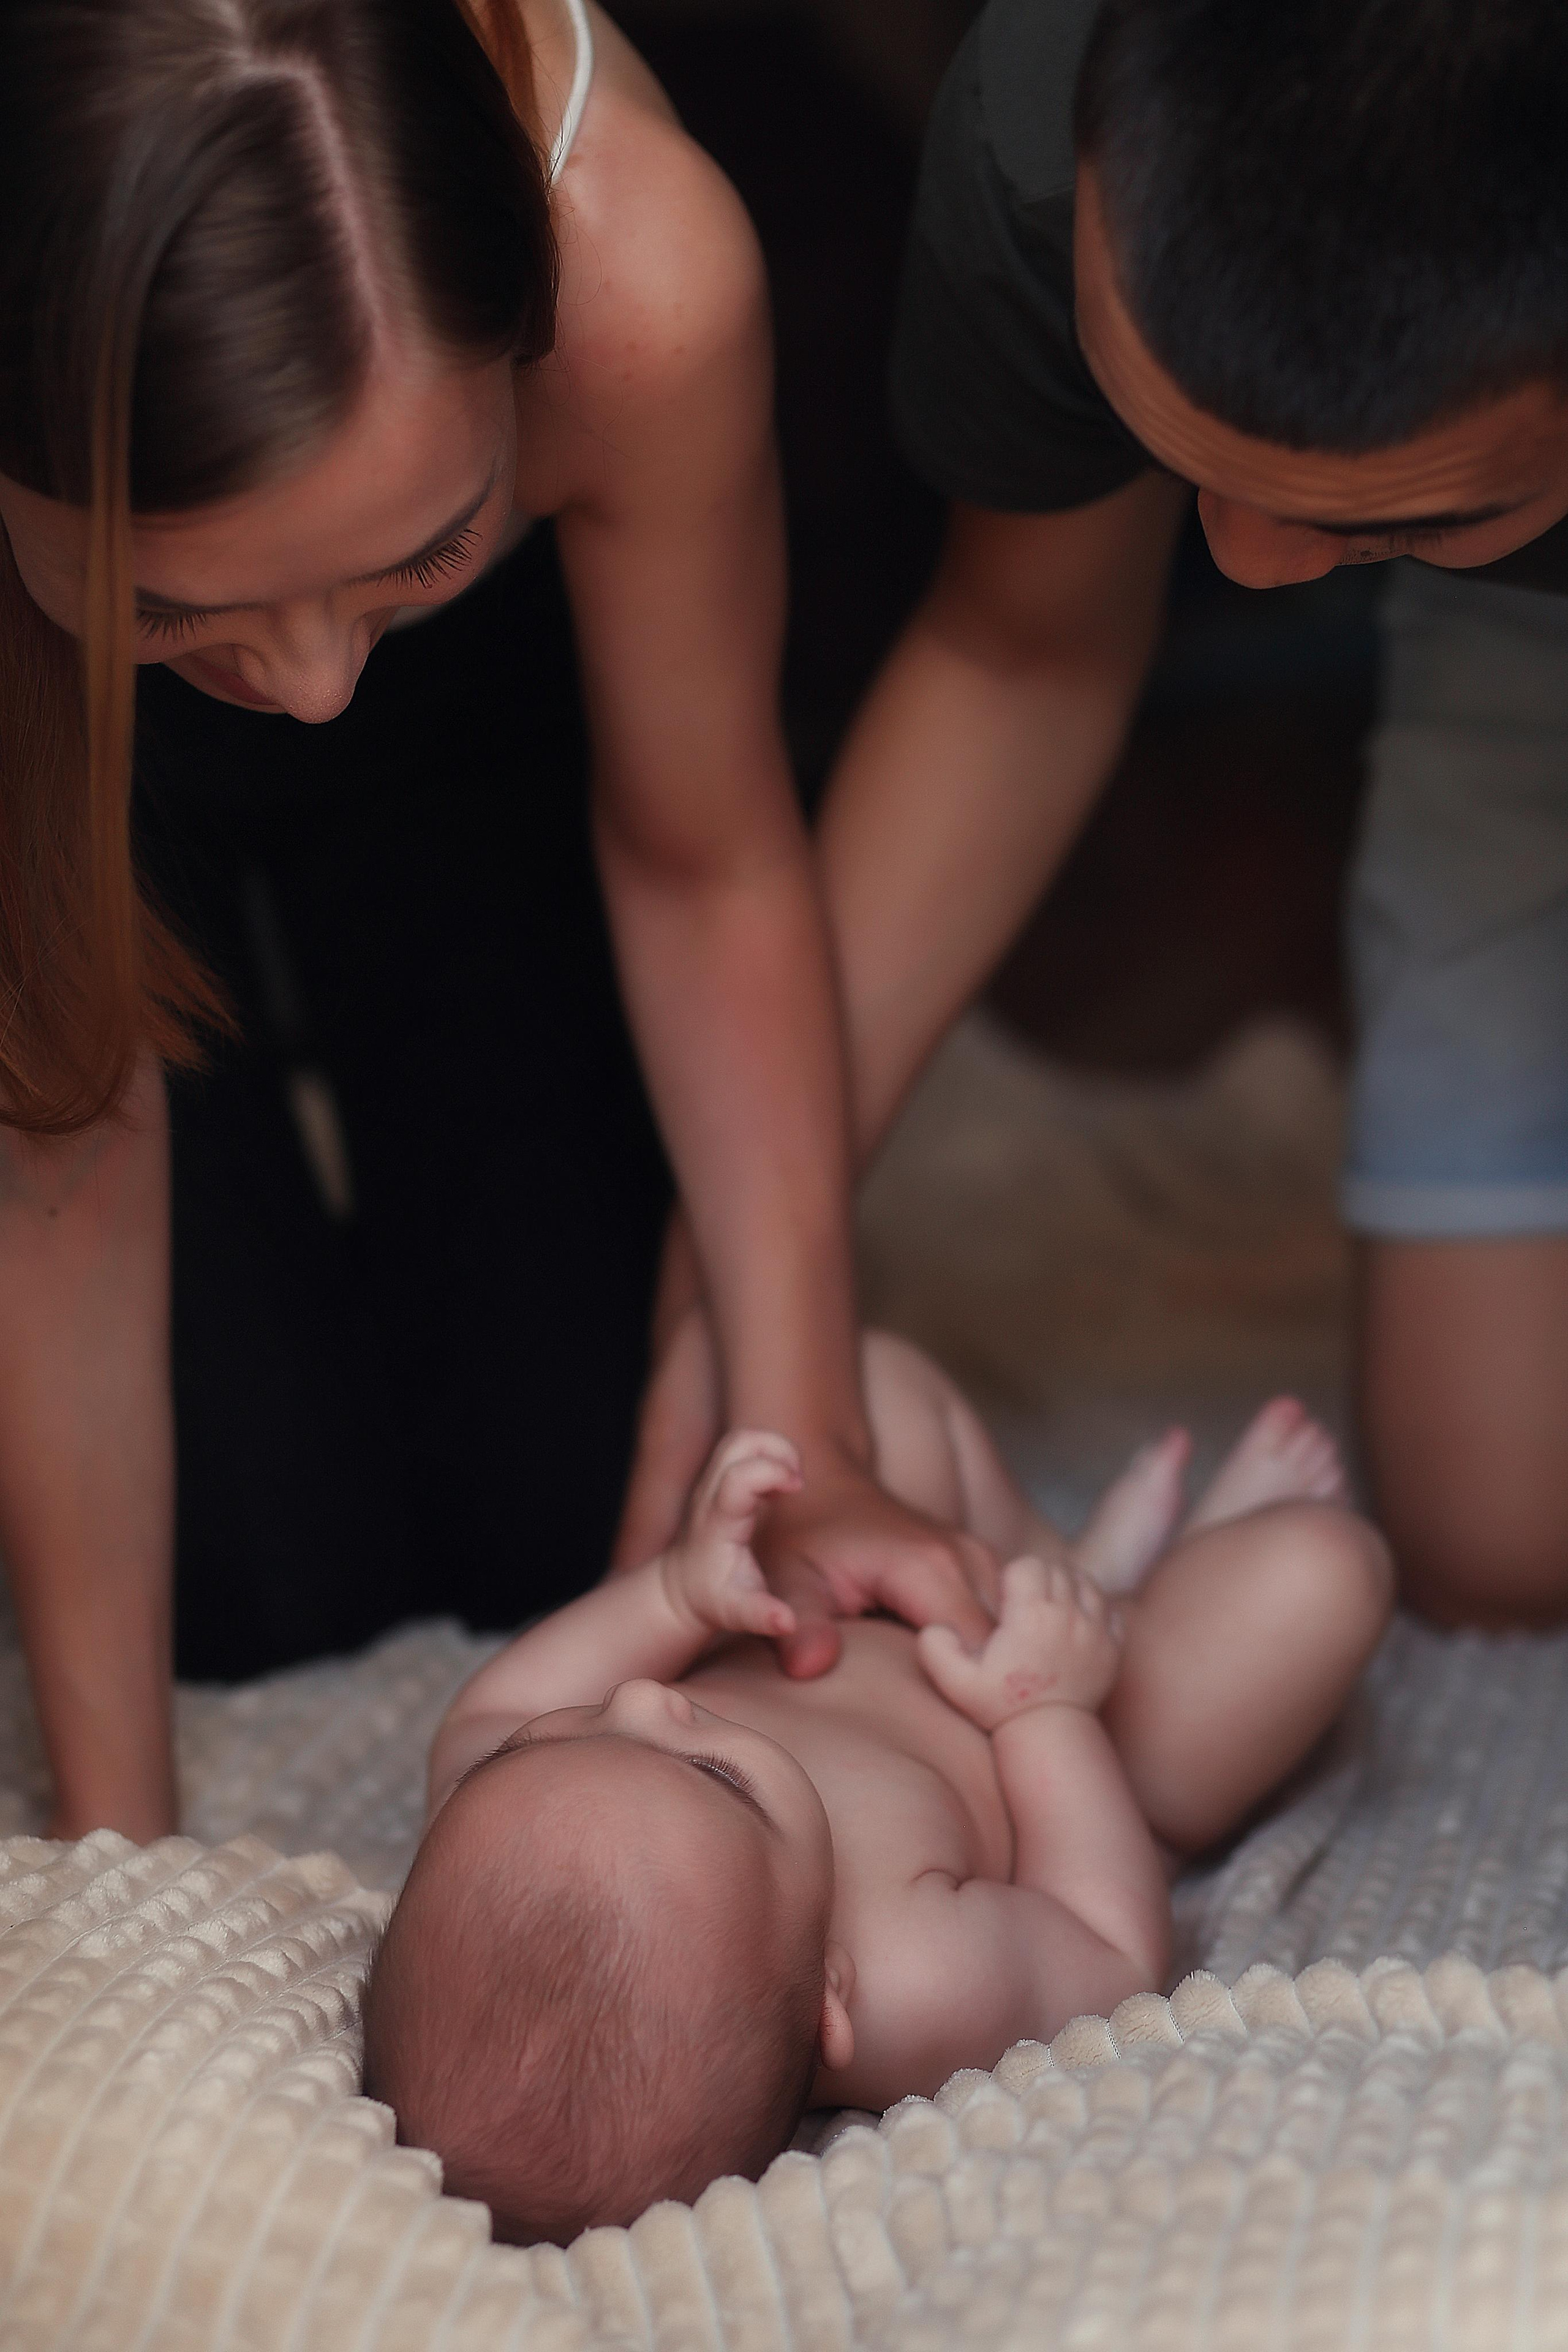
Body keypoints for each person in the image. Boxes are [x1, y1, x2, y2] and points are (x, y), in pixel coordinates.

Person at [0, 0, 992, 1846]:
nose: (306, 688)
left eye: (411, 545)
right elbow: (58, 1139)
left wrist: (812, 1448)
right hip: (72, 735)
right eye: (191, 610)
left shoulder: (642, 273)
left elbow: (708, 855)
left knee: (565, 1520)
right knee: (258, 1589)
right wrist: (115, 1843)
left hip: (479, 714)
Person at [616, 0, 1568, 1632]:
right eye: (1173, 444)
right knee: (1502, 1539)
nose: (1246, 570)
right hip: (1508, 647)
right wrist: (747, 1308)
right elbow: (1021, 656)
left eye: (1403, 508)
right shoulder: (1041, 132)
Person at [364, 1334, 1391, 2244]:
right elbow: (1110, 1941)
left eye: (565, 1738)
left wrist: (679, 1593)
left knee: (868, 1385)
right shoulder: (911, 1979)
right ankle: (1118, 1601)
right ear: (829, 1999)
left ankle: (1057, 1557)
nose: (642, 1698)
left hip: (864, 1586)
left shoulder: (499, 1812)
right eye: (716, 1772)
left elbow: (488, 1716)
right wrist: (1050, 1710)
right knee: (1322, 1575)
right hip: (1080, 1723)